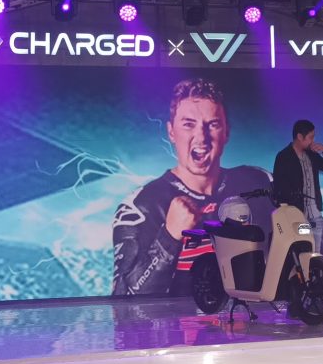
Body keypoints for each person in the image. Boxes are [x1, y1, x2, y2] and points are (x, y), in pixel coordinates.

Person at [111, 78, 271, 296]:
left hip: (250, 315)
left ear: (226, 132)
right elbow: (124, 299)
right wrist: (168, 237)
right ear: (171, 132)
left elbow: (305, 238)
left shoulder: (260, 182)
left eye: (212, 124)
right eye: (188, 124)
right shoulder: (141, 206)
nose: (201, 137)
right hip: (180, 319)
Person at [272, 119, 323, 253]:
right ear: (300, 137)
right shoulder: (284, 157)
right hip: (299, 216)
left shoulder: (312, 154)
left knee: (315, 254)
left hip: (316, 215)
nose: (313, 141)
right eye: (310, 137)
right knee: (303, 252)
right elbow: (279, 187)